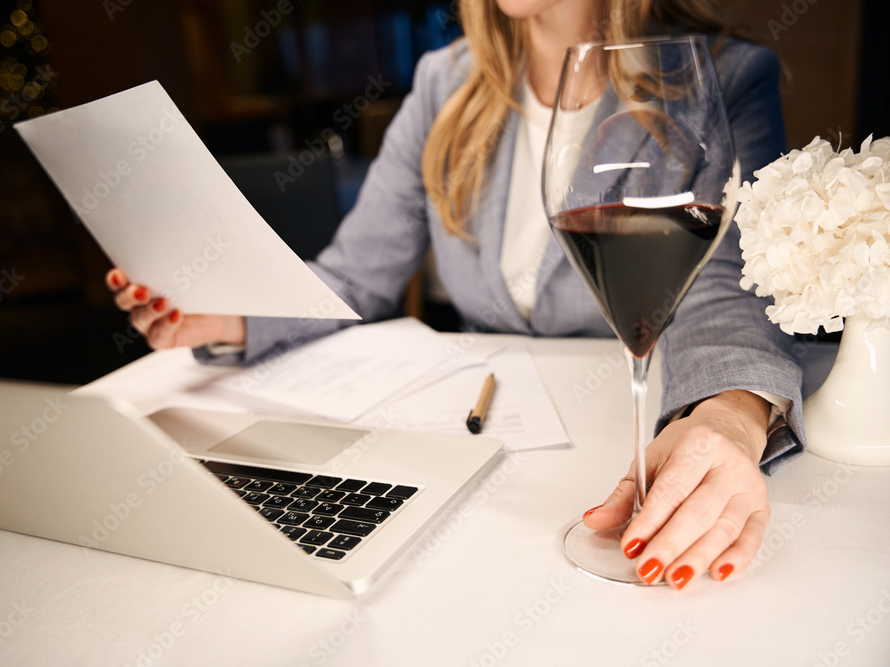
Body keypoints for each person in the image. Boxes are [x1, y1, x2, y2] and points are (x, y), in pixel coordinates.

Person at [107, 0, 804, 590]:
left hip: (617, 442)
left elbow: (724, 281)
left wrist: (730, 413)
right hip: (480, 469)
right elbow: (356, 275)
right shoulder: (446, 82)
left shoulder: (719, 74)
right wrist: (229, 316)